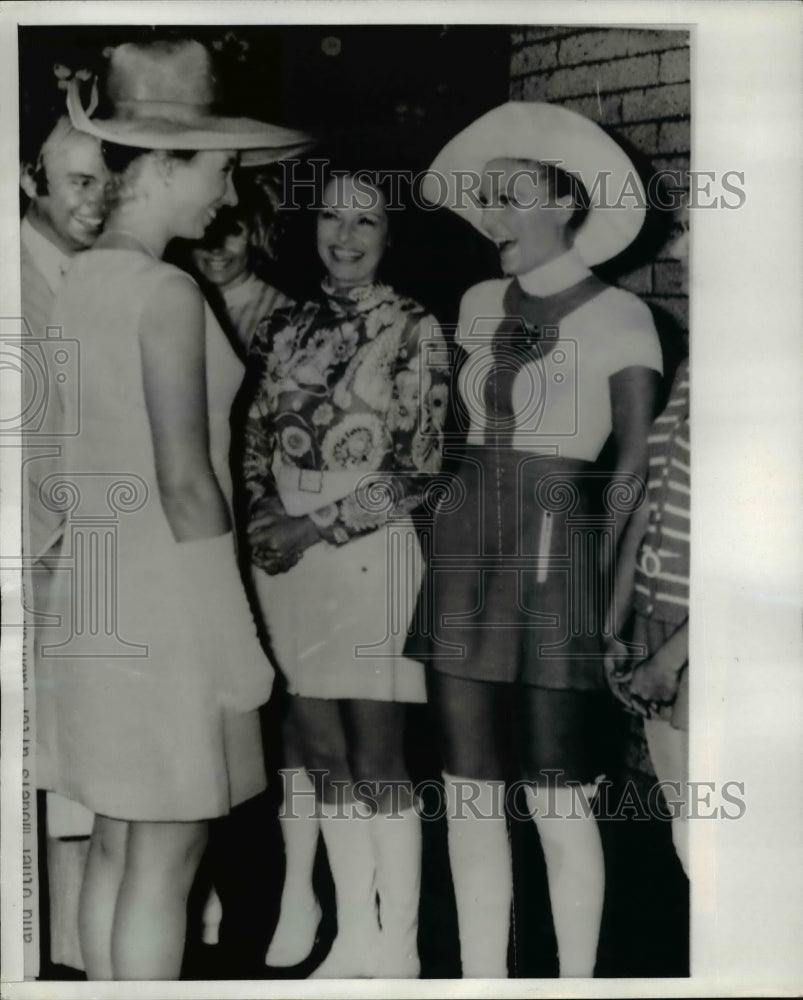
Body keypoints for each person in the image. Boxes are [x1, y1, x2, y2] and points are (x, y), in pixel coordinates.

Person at [34, 38, 311, 980]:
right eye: (219, 169)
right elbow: (186, 483)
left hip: (101, 599)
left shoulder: (79, 281)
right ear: (157, 163)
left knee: (119, 845)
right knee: (167, 862)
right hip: (168, 607)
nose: (227, 197)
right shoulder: (165, 292)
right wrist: (236, 644)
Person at [408, 102, 663, 977]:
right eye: (480, 199)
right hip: (464, 559)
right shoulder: (476, 300)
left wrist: (610, 600)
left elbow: (632, 466)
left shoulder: (623, 315)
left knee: (561, 798)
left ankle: (574, 986)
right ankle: (483, 980)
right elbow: (452, 434)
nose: (486, 216)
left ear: (561, 201)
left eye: (506, 195)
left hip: (561, 565)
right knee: (467, 791)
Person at [242, 167, 449, 978]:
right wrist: (263, 508)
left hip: (367, 547)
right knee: (320, 751)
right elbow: (256, 431)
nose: (346, 235)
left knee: (377, 754)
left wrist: (310, 524)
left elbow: (419, 467)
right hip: (287, 554)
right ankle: (353, 939)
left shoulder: (415, 327)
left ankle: (395, 951)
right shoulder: (285, 326)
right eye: (332, 217)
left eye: (365, 221)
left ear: (390, 234)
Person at [19, 101, 109, 973]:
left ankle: (82, 968)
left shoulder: (97, 275)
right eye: (81, 180)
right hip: (30, 567)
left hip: (87, 575)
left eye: (109, 180)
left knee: (76, 786)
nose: (98, 199)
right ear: (27, 180)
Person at [604, 209, 690, 877]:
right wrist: (618, 621)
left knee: (723, 845)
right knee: (690, 836)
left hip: (713, 638)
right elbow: (648, 506)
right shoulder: (695, 367)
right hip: (660, 626)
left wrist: (671, 657)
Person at [189, 173, 292, 357]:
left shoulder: (283, 315)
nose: (216, 249)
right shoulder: (181, 302)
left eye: (233, 232)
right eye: (206, 233)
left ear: (254, 233)